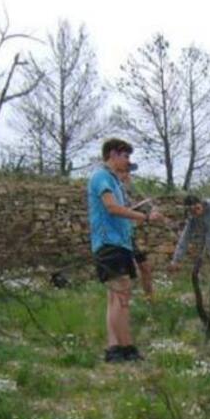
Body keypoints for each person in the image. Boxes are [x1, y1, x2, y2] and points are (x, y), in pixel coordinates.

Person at [87, 138, 165, 362]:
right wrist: (145, 217)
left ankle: (115, 348)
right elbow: (112, 208)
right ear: (112, 154)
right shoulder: (101, 176)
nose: (128, 161)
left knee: (116, 298)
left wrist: (138, 211)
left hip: (118, 244)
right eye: (125, 156)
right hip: (109, 244)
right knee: (121, 296)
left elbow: (122, 211)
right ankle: (126, 347)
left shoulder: (113, 181)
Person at [118, 167, 155, 300]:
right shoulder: (115, 191)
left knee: (145, 267)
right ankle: (125, 301)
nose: (128, 176)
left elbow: (132, 215)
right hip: (118, 238)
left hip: (129, 236)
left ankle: (150, 299)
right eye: (125, 172)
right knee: (124, 273)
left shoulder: (126, 194)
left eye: (128, 173)